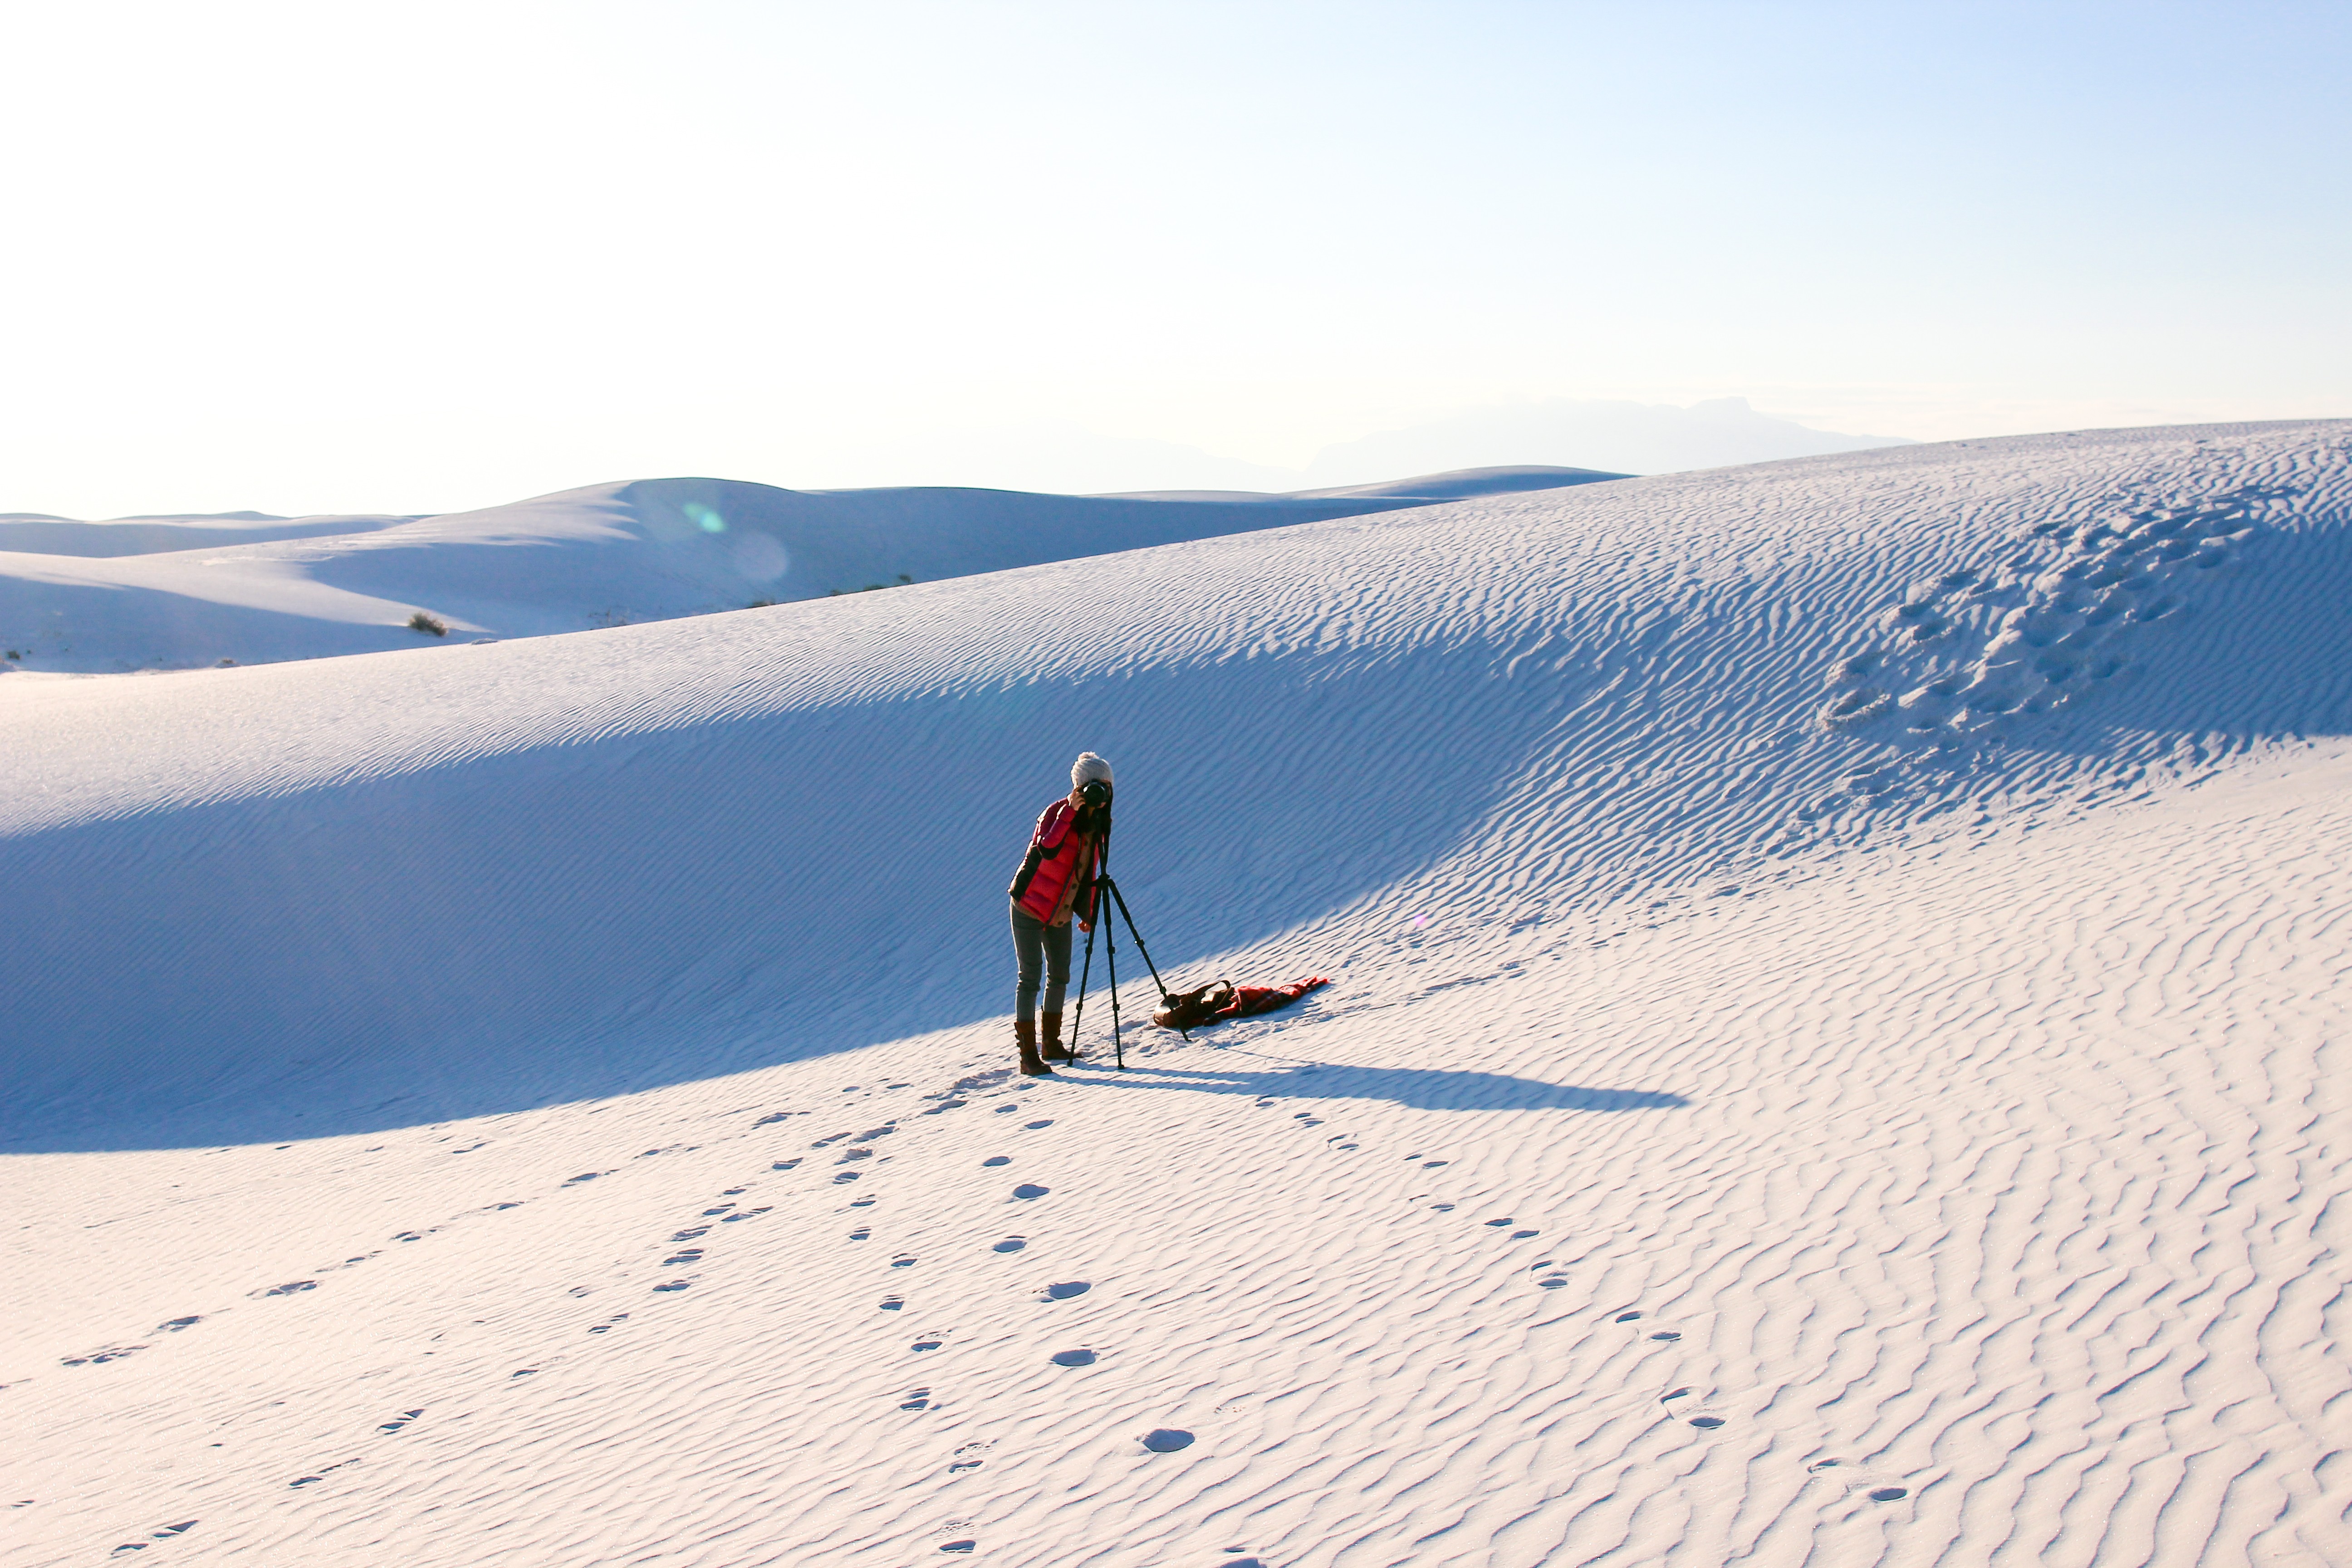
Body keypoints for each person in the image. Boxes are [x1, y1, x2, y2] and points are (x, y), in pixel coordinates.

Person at [1006, 753, 1113, 1077]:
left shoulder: (1100, 825)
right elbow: (1048, 848)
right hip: (1029, 905)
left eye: (1107, 787)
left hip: (1061, 911)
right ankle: (1028, 1056)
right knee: (1030, 978)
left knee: (1061, 975)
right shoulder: (1056, 813)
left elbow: (1090, 871)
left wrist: (1089, 913)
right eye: (1095, 787)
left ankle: (1051, 1044)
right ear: (1080, 787)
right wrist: (1071, 809)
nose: (1102, 794)